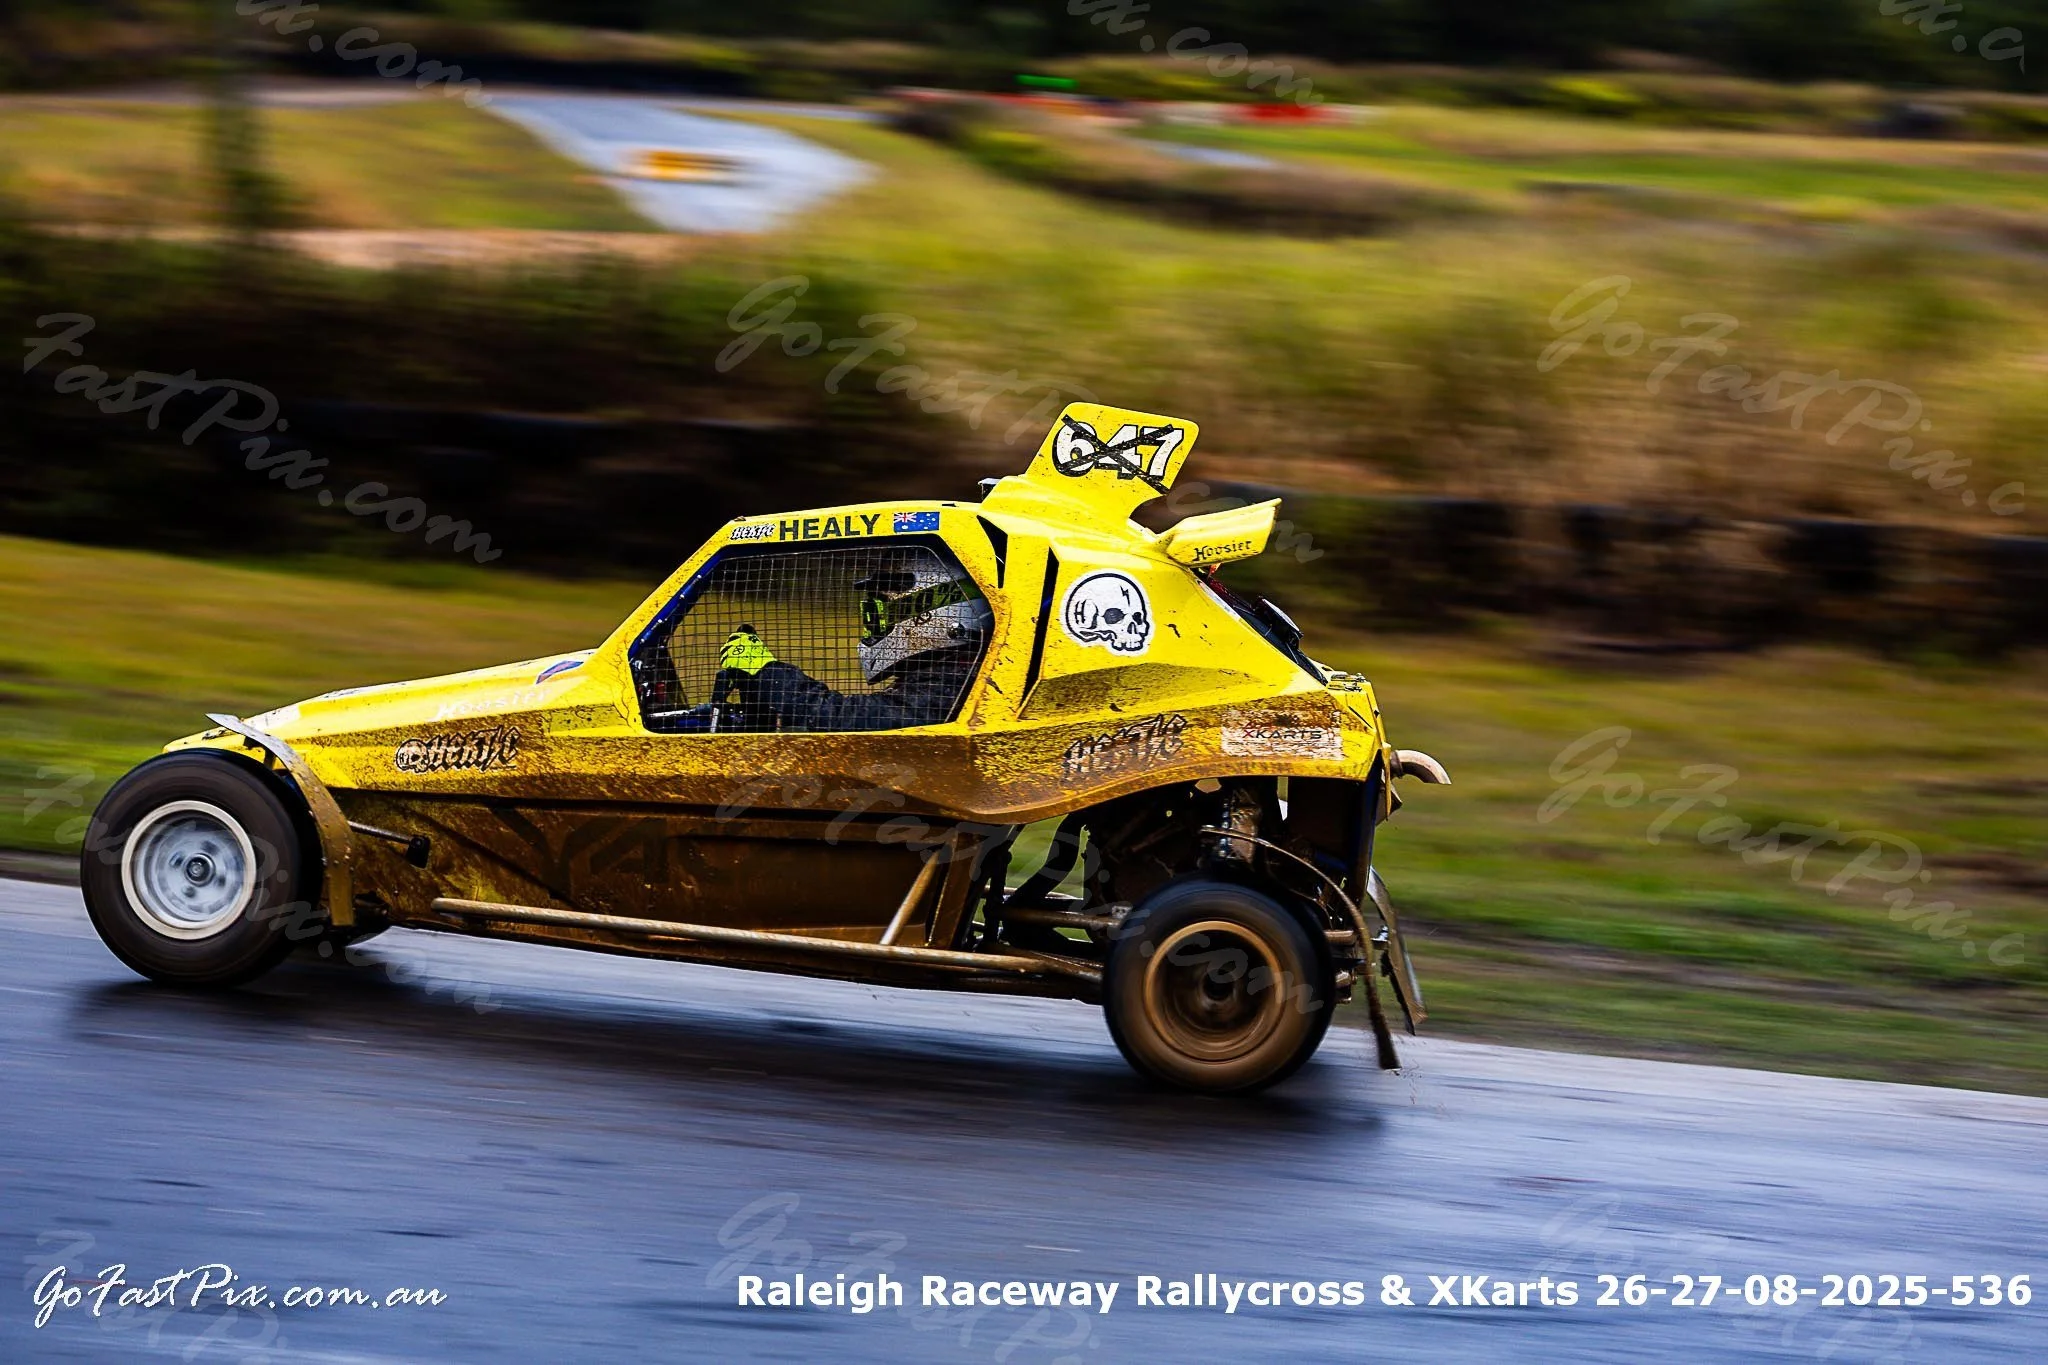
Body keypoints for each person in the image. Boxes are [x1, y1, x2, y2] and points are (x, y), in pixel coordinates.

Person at [711, 561, 991, 732]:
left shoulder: (958, 680)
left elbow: (856, 721)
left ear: (926, 611)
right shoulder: (949, 673)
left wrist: (767, 672)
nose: (872, 625)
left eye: (877, 612)